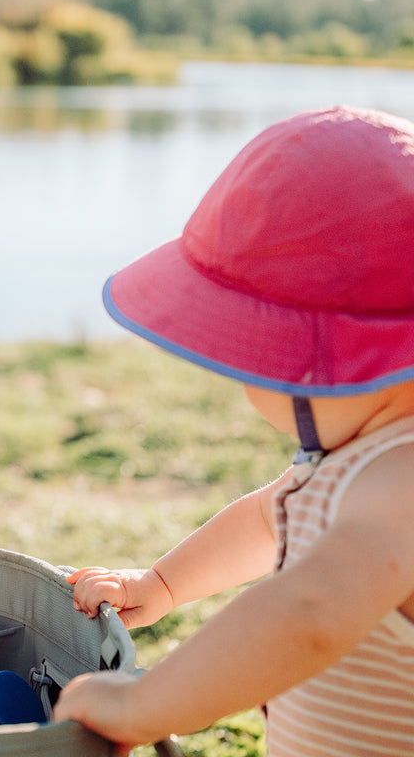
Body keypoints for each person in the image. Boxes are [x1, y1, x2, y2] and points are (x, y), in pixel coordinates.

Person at [52, 106, 414, 756]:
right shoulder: (354, 459)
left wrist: (142, 705)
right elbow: (266, 521)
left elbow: (310, 613)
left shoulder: (402, 479)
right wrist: (160, 584)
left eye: (252, 356)